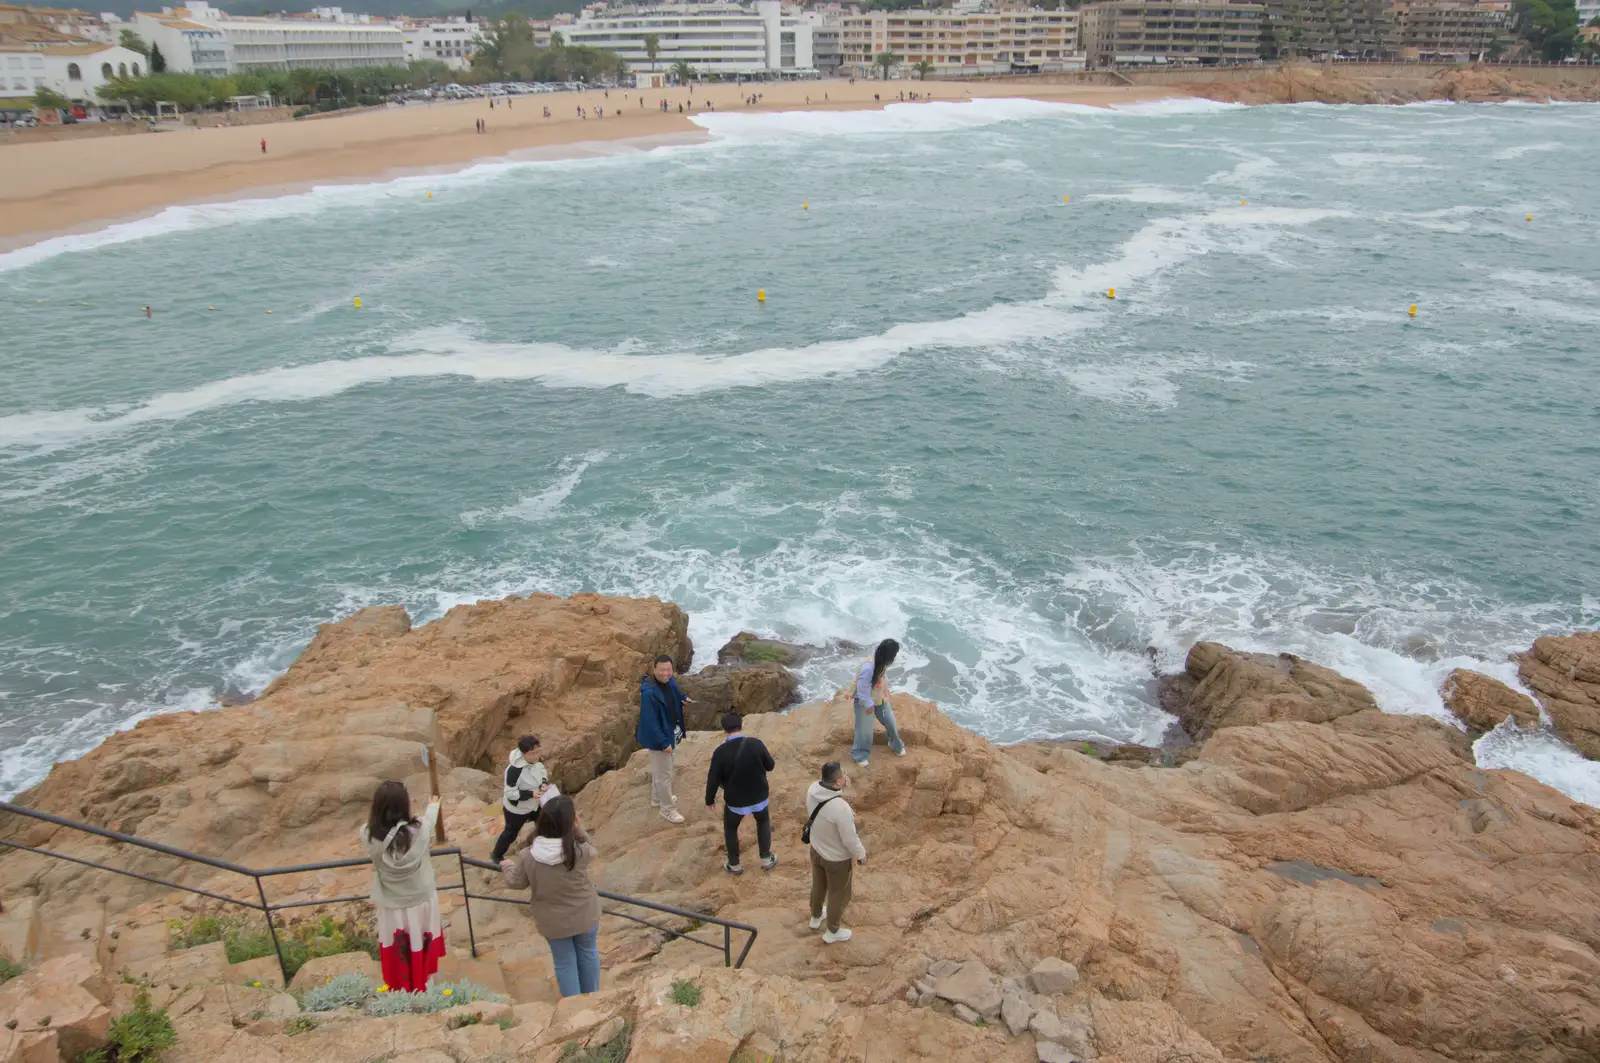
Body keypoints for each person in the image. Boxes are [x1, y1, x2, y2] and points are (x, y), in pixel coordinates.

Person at [500, 795, 601, 997]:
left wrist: (508, 866)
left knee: (564, 963)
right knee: (588, 955)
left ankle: (573, 1006)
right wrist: (577, 828)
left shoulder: (528, 856)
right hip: (585, 914)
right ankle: (593, 1000)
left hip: (552, 921)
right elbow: (592, 847)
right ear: (571, 822)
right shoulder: (580, 852)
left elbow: (516, 882)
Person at [362, 781, 445, 991]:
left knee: (400, 945)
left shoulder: (368, 835)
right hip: (421, 897)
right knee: (421, 939)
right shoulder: (421, 830)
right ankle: (424, 981)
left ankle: (402, 986)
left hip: (392, 903)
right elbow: (428, 821)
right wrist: (433, 806)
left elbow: (382, 831)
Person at [705, 712, 776, 874]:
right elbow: (770, 765)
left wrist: (709, 800)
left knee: (730, 828)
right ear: (742, 726)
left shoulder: (720, 752)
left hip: (735, 801)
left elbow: (713, 779)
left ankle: (734, 864)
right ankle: (766, 859)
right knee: (763, 822)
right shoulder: (756, 744)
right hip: (759, 797)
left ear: (724, 730)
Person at [806, 761, 865, 943]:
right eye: (844, 775)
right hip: (836, 859)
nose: (847, 777)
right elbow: (849, 839)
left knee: (819, 885)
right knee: (838, 894)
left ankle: (816, 917)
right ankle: (833, 931)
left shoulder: (812, 790)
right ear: (838, 782)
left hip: (816, 849)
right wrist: (861, 854)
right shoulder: (841, 808)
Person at [637, 654, 689, 823]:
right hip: (661, 738)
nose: (666, 673)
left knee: (660, 771)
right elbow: (650, 721)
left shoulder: (669, 681)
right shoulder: (649, 693)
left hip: (670, 731)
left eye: (669, 669)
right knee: (664, 775)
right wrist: (663, 743)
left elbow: (674, 694)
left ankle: (657, 799)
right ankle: (667, 810)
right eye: (662, 670)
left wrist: (682, 699)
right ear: (654, 670)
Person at [491, 735, 549, 864]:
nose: (536, 756)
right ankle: (496, 855)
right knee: (510, 833)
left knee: (543, 825)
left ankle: (541, 849)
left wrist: (544, 783)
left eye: (537, 752)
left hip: (535, 804)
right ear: (523, 754)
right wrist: (530, 794)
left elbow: (542, 772)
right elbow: (510, 793)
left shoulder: (536, 762)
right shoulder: (513, 771)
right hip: (517, 809)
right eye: (532, 753)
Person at [852, 638, 907, 766]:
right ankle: (860, 755)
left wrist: (885, 692)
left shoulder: (881, 662)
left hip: (878, 697)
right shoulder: (868, 668)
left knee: (890, 721)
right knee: (864, 730)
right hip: (864, 700)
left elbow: (880, 678)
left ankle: (895, 744)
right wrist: (869, 705)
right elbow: (861, 690)